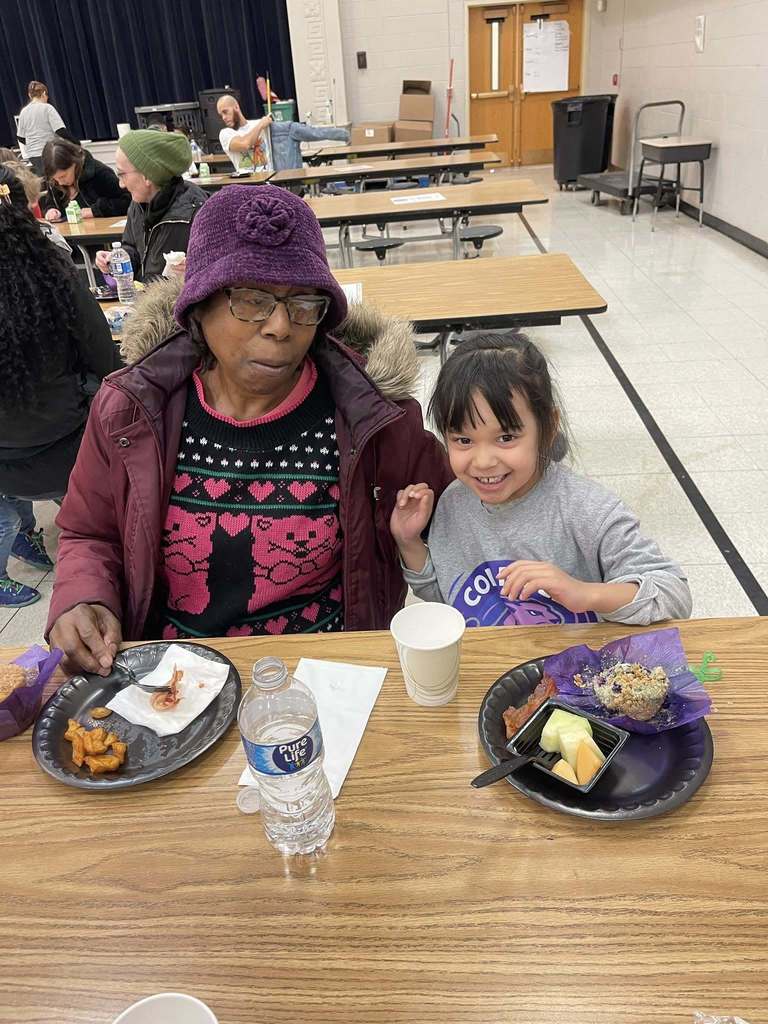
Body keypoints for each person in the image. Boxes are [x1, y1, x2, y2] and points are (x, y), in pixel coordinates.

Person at [46, 184, 452, 673]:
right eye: (252, 299)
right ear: (198, 306)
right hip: (174, 681)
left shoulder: (374, 418)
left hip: (327, 676)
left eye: (304, 303)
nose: (281, 326)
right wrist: (82, 597)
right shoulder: (132, 410)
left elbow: (464, 519)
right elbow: (90, 533)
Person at [390, 333, 692, 629]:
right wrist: (409, 541)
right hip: (489, 668)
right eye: (464, 440)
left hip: (577, 672)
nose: (482, 461)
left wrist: (585, 593)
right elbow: (448, 599)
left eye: (506, 437)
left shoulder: (587, 509)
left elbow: (673, 594)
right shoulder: (454, 503)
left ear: (548, 427)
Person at [0, 165, 120, 608]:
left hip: (6, 462)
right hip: (65, 449)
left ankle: (20, 539)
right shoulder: (54, 276)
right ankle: (87, 563)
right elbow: (105, 362)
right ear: (25, 211)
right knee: (89, 521)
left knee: (4, 510)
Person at [92, 130, 207, 281]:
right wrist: (115, 260)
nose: (120, 184)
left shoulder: (197, 210)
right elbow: (132, 248)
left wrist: (195, 270)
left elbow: (219, 271)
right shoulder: (138, 203)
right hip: (147, 298)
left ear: (147, 176)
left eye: (122, 174)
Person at [40, 138, 129, 221]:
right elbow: (49, 203)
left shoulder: (100, 173)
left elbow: (128, 202)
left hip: (103, 234)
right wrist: (50, 210)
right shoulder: (54, 180)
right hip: (69, 235)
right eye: (54, 179)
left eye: (63, 176)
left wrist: (95, 210)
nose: (60, 182)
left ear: (74, 163)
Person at [16, 81, 77, 173]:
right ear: (44, 93)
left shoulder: (23, 112)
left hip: (33, 156)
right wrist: (76, 143)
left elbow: (20, 137)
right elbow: (60, 131)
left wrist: (32, 144)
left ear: (29, 95)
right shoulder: (47, 108)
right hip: (49, 153)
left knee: (45, 181)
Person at [216, 94, 272, 171]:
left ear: (236, 107)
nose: (224, 117)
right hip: (247, 182)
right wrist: (261, 125)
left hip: (269, 180)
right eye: (221, 115)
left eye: (225, 112)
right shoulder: (225, 134)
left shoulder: (260, 123)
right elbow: (245, 144)